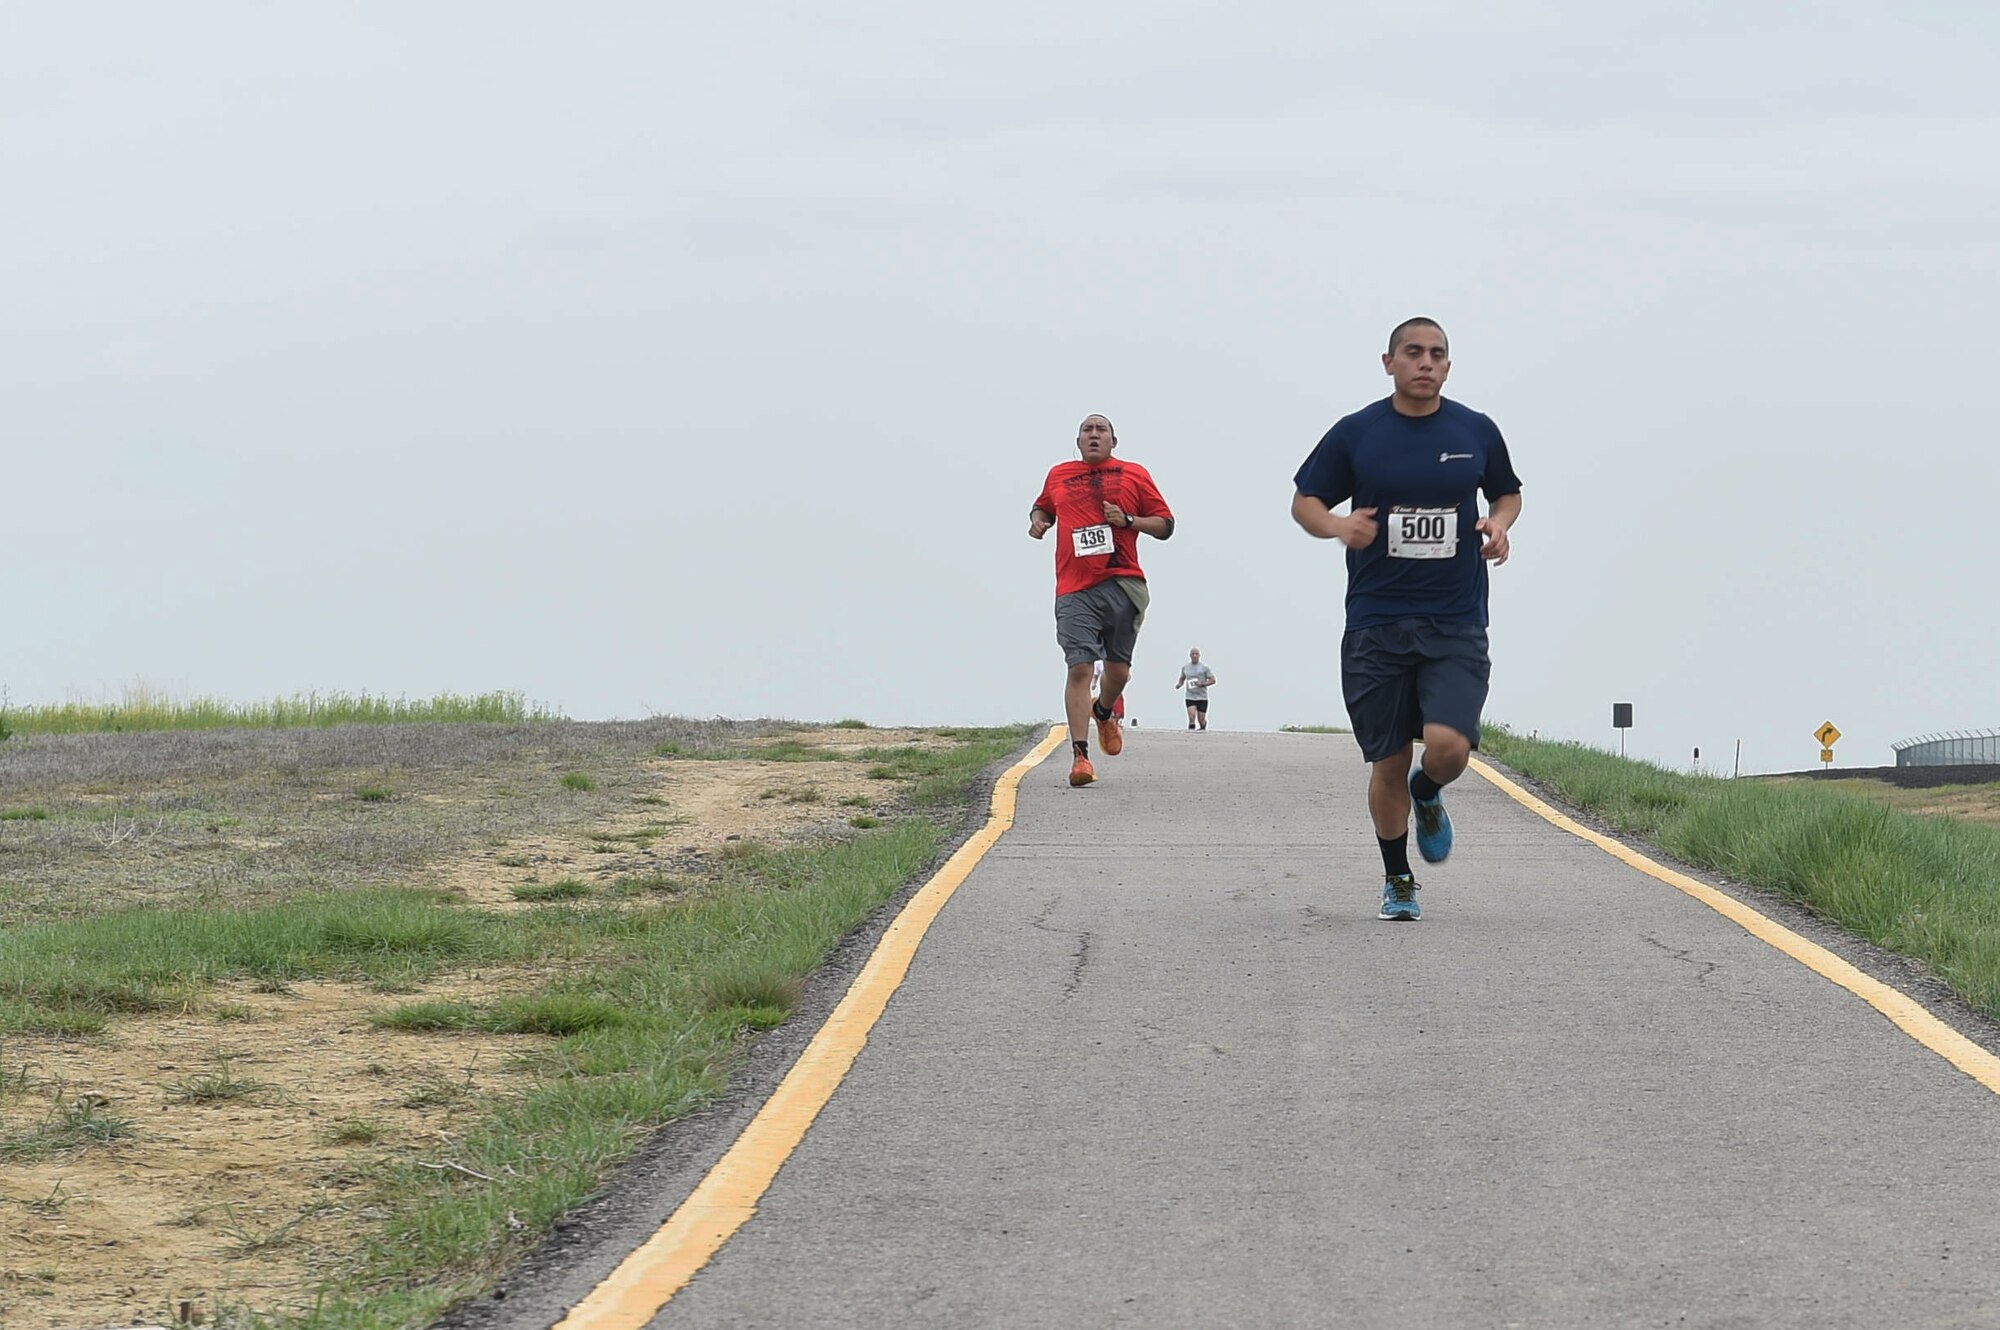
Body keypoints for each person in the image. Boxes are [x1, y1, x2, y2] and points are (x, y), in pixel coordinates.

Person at [1290, 318, 1522, 921]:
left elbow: (1507, 493)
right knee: (1388, 758)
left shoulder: (1475, 430)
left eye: (1437, 354)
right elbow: (1305, 501)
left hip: (1455, 619)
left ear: (1448, 365)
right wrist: (1340, 526)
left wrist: (1499, 524)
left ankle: (1430, 790)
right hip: (1376, 621)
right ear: (1389, 361)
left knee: (1446, 748)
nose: (1426, 362)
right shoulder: (1357, 433)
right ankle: (1398, 878)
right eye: (1413, 353)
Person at [1030, 414, 1176, 787]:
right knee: (1080, 668)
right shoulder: (1059, 474)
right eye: (1087, 430)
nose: (1094, 435)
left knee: (1119, 672)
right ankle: (1080, 757)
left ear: (1114, 441)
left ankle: (1104, 710)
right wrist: (1039, 521)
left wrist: (1128, 520)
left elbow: (1165, 525)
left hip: (1123, 583)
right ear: (1078, 441)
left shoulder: (1134, 474)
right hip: (1074, 587)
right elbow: (1043, 505)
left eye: (1101, 430)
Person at [1174, 648, 1217, 730]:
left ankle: (1203, 726)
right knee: (1192, 716)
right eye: (1193, 654)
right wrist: (1179, 684)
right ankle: (1191, 733)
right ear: (1190, 655)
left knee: (1201, 719)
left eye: (1196, 654)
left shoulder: (1204, 668)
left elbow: (1213, 680)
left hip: (1202, 697)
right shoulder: (1185, 667)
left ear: (1199, 655)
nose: (1194, 656)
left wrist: (1203, 683)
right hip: (1190, 696)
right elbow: (1182, 678)